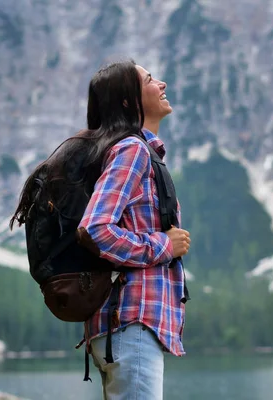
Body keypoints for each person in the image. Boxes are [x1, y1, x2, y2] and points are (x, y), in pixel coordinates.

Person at [74, 59, 191, 399]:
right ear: (128, 101)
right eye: (151, 80)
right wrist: (164, 245)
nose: (162, 84)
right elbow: (95, 229)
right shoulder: (132, 150)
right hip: (131, 320)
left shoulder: (135, 150)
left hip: (127, 325)